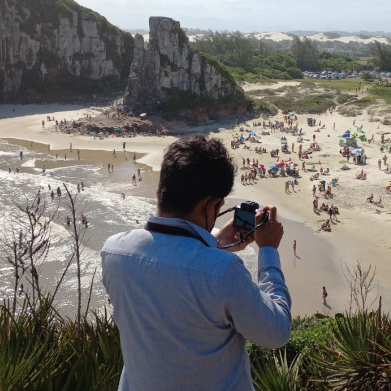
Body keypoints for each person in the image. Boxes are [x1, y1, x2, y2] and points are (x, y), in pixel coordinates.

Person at [101, 135, 291, 390]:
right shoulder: (224, 271)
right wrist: (268, 250)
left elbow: (170, 266)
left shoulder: (114, 251)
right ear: (211, 204)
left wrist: (213, 242)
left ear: (161, 191)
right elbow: (276, 332)